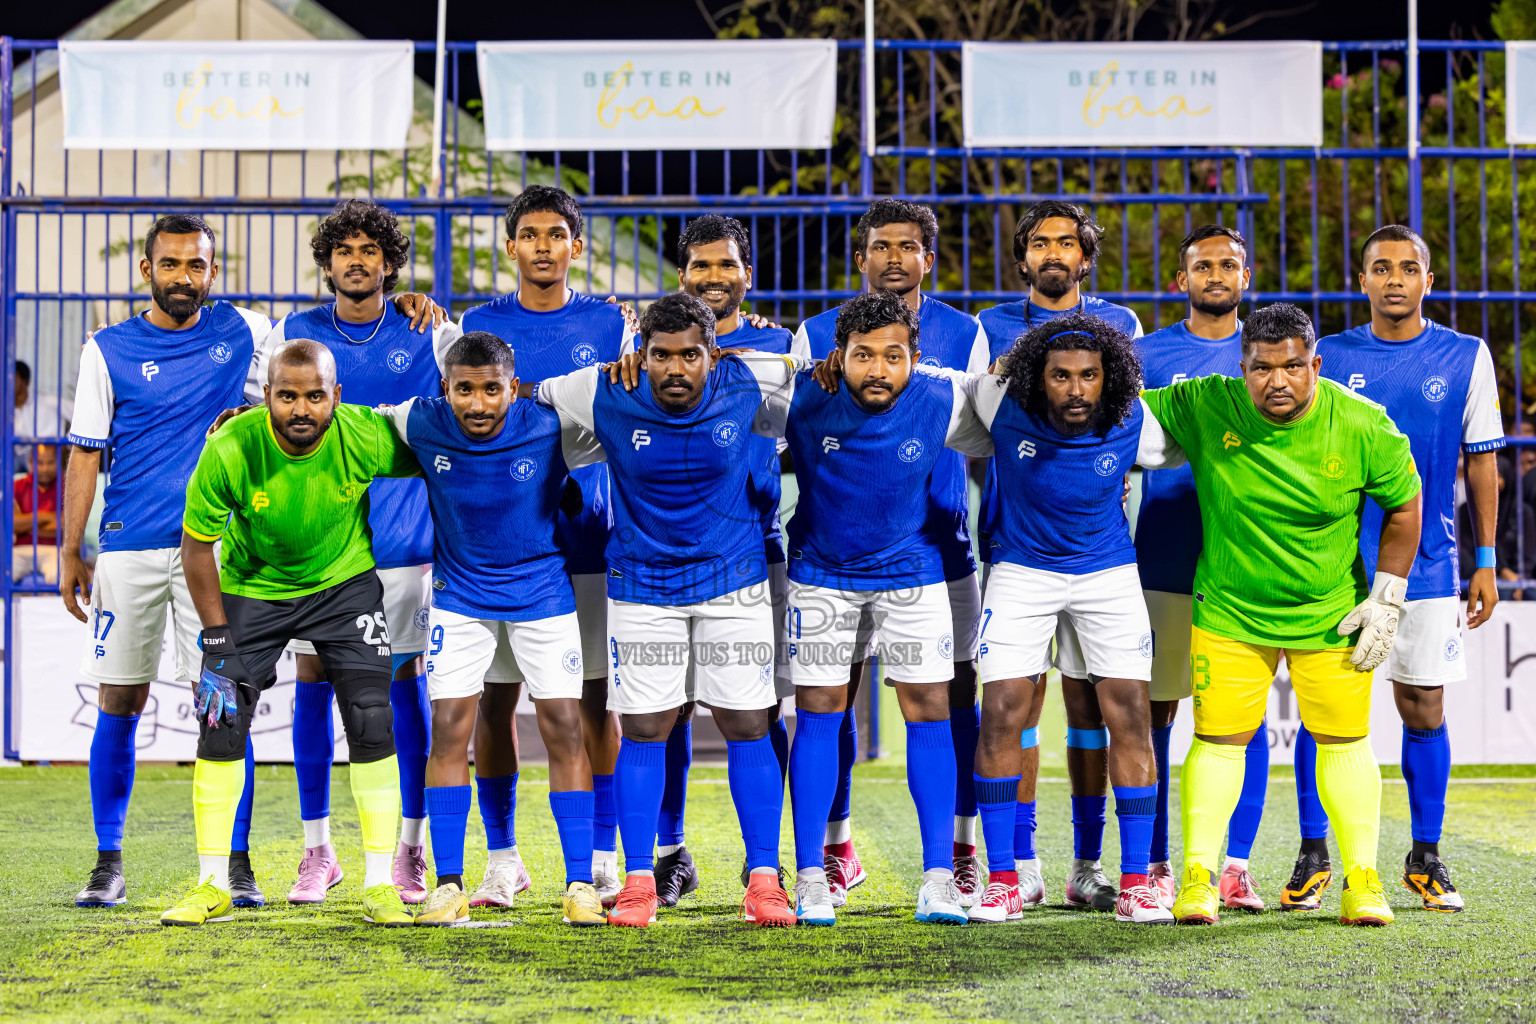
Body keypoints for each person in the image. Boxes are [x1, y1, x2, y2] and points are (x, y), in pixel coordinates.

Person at [1140, 302, 1422, 927]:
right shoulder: (1204, 401)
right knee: (1218, 741)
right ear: (1242, 368)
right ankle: (1197, 879)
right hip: (1230, 612)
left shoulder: (1363, 423)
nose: (1278, 381)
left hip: (1329, 615)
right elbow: (1119, 406)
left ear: (1315, 364)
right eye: (1262, 368)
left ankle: (1363, 881)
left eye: (1293, 366)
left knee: (1346, 742)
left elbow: (1405, 503)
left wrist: (1388, 597)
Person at [532, 292, 801, 929]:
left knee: (747, 724)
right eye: (660, 356)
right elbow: (521, 394)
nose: (675, 369)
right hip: (641, 590)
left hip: (733, 585)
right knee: (647, 730)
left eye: (690, 356)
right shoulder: (600, 391)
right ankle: (637, 884)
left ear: (715, 355)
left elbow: (821, 373)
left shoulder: (751, 379)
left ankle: (764, 878)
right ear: (640, 356)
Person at [163, 340, 423, 927]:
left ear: (337, 395)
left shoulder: (365, 435)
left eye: (314, 396)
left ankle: (380, 884)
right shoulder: (231, 446)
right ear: (267, 395)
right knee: (220, 716)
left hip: (344, 586)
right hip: (254, 589)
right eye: (286, 396)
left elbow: (444, 447)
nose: (300, 409)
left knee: (372, 717)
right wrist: (215, 637)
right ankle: (211, 882)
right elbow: (197, 546)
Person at [62, 215, 271, 911]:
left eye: (197, 265)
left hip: (214, 554)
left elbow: (323, 345)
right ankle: (107, 863)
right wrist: (71, 549)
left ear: (214, 272)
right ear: (147, 269)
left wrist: (411, 306)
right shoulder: (107, 348)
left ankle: (233, 865)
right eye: (171, 263)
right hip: (127, 551)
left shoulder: (245, 331)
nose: (184, 276)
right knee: (119, 699)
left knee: (222, 706)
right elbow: (86, 452)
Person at [789, 199, 991, 906]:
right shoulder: (807, 352)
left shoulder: (960, 351)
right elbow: (730, 395)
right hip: (824, 564)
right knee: (823, 708)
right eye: (881, 245)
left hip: (926, 555)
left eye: (910, 246)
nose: (895, 257)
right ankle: (819, 864)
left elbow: (1009, 420)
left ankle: (946, 868)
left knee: (937, 705)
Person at [1298, 224, 1505, 913]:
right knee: (1326, 715)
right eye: (1380, 268)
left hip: (1431, 565)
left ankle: (1426, 857)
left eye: (1407, 268)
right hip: (1336, 567)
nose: (1394, 279)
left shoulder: (1466, 355)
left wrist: (1487, 559)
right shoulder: (1326, 355)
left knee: (1425, 708)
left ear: (1428, 280)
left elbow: (1482, 462)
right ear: (1362, 280)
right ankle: (1313, 854)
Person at [269, 199, 460, 906]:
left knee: (404, 688)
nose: (356, 260)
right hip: (319, 544)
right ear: (326, 263)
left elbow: (464, 409)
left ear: (389, 262)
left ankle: (409, 849)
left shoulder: (428, 329)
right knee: (313, 683)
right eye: (343, 250)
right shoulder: (293, 335)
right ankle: (318, 850)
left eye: (369, 250)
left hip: (402, 545)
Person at [964, 313, 1175, 926]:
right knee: (1002, 708)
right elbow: (928, 382)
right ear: (1039, 375)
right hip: (1022, 569)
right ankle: (1002, 879)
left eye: (1089, 376)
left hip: (1108, 572)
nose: (1076, 389)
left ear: (1109, 377)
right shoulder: (997, 398)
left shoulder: (1135, 416)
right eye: (1061, 376)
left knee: (1129, 712)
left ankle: (1136, 881)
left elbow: (1194, 433)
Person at [390, 331, 606, 927]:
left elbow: (623, 413)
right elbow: (345, 417)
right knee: (450, 730)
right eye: (465, 390)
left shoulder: (550, 423)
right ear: (446, 388)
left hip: (543, 594)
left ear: (514, 387)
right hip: (459, 598)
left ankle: (581, 883)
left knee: (565, 727)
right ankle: (449, 885)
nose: (479, 404)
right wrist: (253, 416)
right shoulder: (418, 422)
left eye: (492, 390)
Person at [456, 184, 632, 906]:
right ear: (510, 247)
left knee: (592, 704)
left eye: (556, 234)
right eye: (528, 234)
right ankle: (503, 858)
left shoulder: (609, 323)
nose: (542, 246)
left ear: (576, 247)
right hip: (493, 545)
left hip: (584, 540)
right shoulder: (475, 322)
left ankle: (599, 852)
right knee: (493, 707)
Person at [976, 200, 1145, 912]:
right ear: (1023, 257)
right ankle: (1014, 867)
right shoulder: (989, 329)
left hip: (1106, 555)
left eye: (1065, 242)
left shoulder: (1124, 330)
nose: (1053, 252)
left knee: (1105, 708)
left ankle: (1104, 869)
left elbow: (1150, 430)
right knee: (1014, 707)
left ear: (1085, 254)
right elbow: (964, 408)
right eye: (1039, 242)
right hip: (1017, 550)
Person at [651, 213, 796, 906]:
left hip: (755, 549)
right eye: (700, 266)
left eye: (726, 265)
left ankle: (764, 862)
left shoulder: (778, 347)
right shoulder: (647, 346)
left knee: (760, 711)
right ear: (683, 275)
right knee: (666, 707)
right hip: (664, 556)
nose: (714, 277)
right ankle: (670, 852)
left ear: (746, 274)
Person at [1132, 224, 1269, 912]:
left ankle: (1235, 864)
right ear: (1179, 280)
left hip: (1248, 561)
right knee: (1158, 709)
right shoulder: (1146, 354)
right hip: (1165, 552)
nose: (1216, 274)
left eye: (1229, 264)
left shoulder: (1273, 356)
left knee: (1238, 721)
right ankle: (1156, 861)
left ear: (1247, 277)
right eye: (1202, 265)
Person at [14, 443, 60, 584]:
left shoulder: (67, 485)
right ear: (31, 462)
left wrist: (25, 525)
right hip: (19, 551)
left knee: (58, 577)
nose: (45, 468)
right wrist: (49, 516)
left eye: (50, 462)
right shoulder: (17, 486)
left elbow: (65, 528)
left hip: (55, 550)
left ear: (58, 462)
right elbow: (13, 524)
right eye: (40, 463)